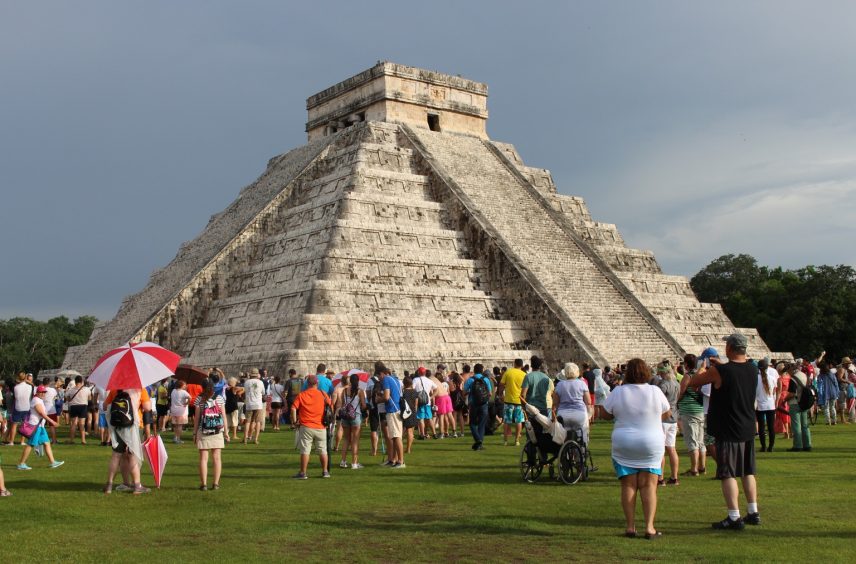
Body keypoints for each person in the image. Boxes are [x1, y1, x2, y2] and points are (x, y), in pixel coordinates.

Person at [691, 333, 760, 530]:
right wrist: (720, 365)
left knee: (728, 473)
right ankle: (753, 511)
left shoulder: (719, 371)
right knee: (747, 471)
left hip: (728, 427)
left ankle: (734, 516)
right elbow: (735, 374)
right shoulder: (752, 369)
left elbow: (695, 382)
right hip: (746, 425)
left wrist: (704, 366)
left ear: (730, 347)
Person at [602, 359, 670, 539]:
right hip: (650, 442)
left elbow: (605, 414)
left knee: (628, 485)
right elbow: (667, 413)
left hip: (625, 442)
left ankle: (630, 526)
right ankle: (649, 527)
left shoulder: (619, 391)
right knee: (649, 485)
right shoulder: (655, 391)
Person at [103, 386, 153, 494]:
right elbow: (147, 407)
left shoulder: (115, 389)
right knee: (132, 455)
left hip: (118, 426)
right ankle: (137, 485)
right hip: (133, 425)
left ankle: (110, 485)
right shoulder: (139, 389)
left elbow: (104, 406)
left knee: (117, 455)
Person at [290, 374, 331, 479]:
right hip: (321, 426)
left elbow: (293, 408)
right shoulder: (323, 394)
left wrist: (295, 422)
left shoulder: (302, 395)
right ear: (317, 383)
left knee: (305, 450)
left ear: (307, 383)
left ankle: (303, 472)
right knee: (323, 450)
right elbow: (330, 406)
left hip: (306, 426)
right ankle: (325, 471)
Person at [192, 379, 229, 490]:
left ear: (202, 387)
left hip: (203, 430)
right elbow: (223, 416)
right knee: (217, 458)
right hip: (217, 430)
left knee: (203, 458)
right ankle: (216, 484)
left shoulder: (199, 398)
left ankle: (204, 484)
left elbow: (197, 418)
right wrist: (226, 432)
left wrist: (194, 433)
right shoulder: (219, 398)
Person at [17, 385, 64, 470]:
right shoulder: (36, 400)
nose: (43, 394)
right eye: (41, 392)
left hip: (40, 426)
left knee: (47, 443)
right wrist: (52, 421)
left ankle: (52, 462)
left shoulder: (39, 400)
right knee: (30, 444)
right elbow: (42, 414)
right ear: (37, 392)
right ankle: (21, 463)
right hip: (35, 426)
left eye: (44, 392)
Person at [677, 354, 706, 475]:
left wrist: (677, 401)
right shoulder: (701, 374)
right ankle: (702, 467)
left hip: (689, 410)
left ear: (686, 364)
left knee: (692, 440)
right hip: (699, 409)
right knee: (700, 440)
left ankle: (694, 469)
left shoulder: (688, 376)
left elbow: (681, 392)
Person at [552, 362, 591, 444]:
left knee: (564, 435)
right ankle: (583, 448)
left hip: (563, 414)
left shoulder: (559, 385)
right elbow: (588, 401)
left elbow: (555, 402)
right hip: (579, 413)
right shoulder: (582, 383)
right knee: (583, 431)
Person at [655, 365, 680, 486]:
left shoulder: (663, 384)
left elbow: (658, 401)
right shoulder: (676, 383)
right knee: (671, 448)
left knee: (661, 449)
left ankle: (660, 478)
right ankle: (674, 477)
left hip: (664, 417)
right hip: (674, 417)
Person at [336, 373, 367, 468]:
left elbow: (342, 403)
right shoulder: (360, 391)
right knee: (355, 440)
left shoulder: (345, 390)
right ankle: (354, 463)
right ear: (357, 381)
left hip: (346, 416)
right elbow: (363, 405)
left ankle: (343, 461)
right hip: (356, 416)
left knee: (346, 439)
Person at [783, 363, 812, 452]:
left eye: (788, 371)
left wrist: (784, 400)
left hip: (795, 403)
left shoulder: (793, 379)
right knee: (805, 425)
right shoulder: (804, 375)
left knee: (796, 425)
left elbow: (792, 393)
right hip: (805, 402)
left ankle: (797, 446)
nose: (788, 373)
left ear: (791, 370)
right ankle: (807, 445)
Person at [381, 364, 405, 468]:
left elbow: (386, 397)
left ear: (382, 373)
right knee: (395, 437)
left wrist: (379, 399)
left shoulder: (386, 379)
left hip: (392, 410)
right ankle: (394, 459)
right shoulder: (395, 379)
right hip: (397, 409)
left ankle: (401, 461)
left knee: (396, 436)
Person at [464, 364, 493, 450]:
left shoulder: (470, 380)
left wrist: (471, 392)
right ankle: (480, 443)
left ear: (474, 370)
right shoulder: (486, 379)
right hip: (484, 404)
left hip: (473, 404)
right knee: (482, 424)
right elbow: (490, 393)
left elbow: (464, 392)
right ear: (482, 370)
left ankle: (478, 440)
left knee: (472, 423)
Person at [498, 358, 526, 446]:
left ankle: (505, 441)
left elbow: (501, 385)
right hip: (519, 401)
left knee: (507, 421)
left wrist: (500, 395)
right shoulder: (524, 375)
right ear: (521, 365)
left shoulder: (508, 372)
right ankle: (517, 440)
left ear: (514, 364)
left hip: (508, 400)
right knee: (519, 421)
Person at [755, 358, 778, 452]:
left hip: (760, 405)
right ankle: (771, 446)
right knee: (771, 427)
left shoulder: (755, 378)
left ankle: (763, 446)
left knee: (761, 427)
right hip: (770, 404)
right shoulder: (772, 378)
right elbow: (773, 392)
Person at [7, 372, 34, 445]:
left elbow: (16, 397)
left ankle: (11, 441)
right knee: (24, 425)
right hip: (26, 406)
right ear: (25, 378)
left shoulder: (16, 387)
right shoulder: (30, 387)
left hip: (18, 406)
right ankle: (22, 441)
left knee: (14, 425)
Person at [65, 376, 91, 444]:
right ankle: (83, 440)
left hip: (73, 406)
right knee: (82, 424)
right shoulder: (87, 389)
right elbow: (89, 398)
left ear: (75, 381)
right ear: (82, 381)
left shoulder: (71, 389)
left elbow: (67, 398)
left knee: (74, 424)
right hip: (83, 406)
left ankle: (71, 440)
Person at [242, 368, 265, 444]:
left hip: (249, 404)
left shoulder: (247, 382)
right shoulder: (260, 382)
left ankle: (245, 438)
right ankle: (255, 439)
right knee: (258, 422)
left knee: (247, 422)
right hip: (258, 404)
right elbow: (263, 392)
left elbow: (245, 391)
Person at [413, 367, 437, 440]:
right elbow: (436, 389)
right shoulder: (429, 380)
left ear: (418, 373)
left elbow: (413, 389)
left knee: (421, 418)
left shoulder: (415, 380)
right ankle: (434, 433)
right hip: (427, 401)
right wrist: (430, 397)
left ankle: (422, 434)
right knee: (429, 418)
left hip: (419, 401)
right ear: (425, 373)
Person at [400, 376, 418, 454]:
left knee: (402, 431)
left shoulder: (403, 392)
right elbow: (416, 404)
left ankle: (399, 447)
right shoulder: (415, 392)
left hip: (405, 412)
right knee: (410, 431)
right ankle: (408, 448)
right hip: (413, 412)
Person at [169, 380, 191, 444]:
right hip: (181, 411)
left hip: (174, 410)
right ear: (181, 385)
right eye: (184, 385)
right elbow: (190, 398)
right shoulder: (183, 392)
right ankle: (178, 439)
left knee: (176, 425)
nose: (185, 386)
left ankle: (175, 437)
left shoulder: (173, 391)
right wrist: (186, 403)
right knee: (179, 426)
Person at [41, 377, 59, 444]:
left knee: (41, 425)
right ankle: (54, 440)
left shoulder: (41, 389)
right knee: (52, 426)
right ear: (49, 383)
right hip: (51, 409)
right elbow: (55, 395)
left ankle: (42, 440)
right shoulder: (52, 390)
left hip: (43, 408)